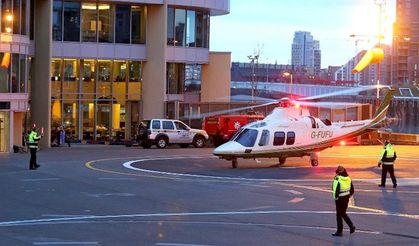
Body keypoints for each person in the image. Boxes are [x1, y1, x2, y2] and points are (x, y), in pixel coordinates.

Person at [332, 165, 355, 236]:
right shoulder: (348, 178)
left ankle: (340, 231)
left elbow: (335, 189)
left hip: (340, 199)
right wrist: (348, 195)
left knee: (339, 215)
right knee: (343, 213)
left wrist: (335, 198)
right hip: (346, 197)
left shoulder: (337, 178)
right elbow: (352, 190)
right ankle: (351, 226)